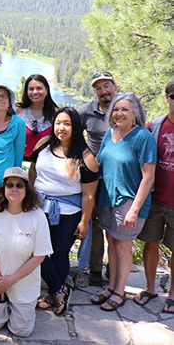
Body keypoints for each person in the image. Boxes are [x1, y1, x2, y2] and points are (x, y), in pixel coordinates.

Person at [29, 107, 99, 316]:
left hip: (68, 213)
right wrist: (30, 196)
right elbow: (33, 169)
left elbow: (88, 195)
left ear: (75, 127)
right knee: (35, 251)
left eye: (66, 123)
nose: (61, 128)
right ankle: (59, 291)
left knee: (58, 254)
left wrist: (84, 221)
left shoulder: (86, 158)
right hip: (38, 208)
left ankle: (54, 294)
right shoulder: (43, 145)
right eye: (58, 123)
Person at [90, 93, 156, 311]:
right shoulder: (111, 134)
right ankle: (111, 287)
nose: (119, 113)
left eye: (124, 109)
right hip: (107, 198)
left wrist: (134, 209)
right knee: (112, 244)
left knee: (122, 248)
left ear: (135, 112)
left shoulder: (143, 137)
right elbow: (100, 162)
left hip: (129, 201)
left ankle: (119, 292)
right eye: (116, 109)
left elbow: (148, 176)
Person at [0, 167, 53, 338]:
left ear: (27, 189)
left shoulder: (38, 216)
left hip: (23, 285)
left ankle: (15, 307)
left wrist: (11, 281)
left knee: (22, 332)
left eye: (20, 185)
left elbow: (39, 256)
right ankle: (3, 306)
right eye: (10, 185)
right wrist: (0, 283)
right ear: (3, 188)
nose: (14, 189)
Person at [134, 79, 174, 313]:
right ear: (166, 97)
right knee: (151, 244)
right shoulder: (155, 126)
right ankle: (150, 288)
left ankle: (172, 294)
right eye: (173, 95)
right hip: (156, 199)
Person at [79, 71, 118, 286]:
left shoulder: (126, 107)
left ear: (114, 86)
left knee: (115, 224)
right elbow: (72, 132)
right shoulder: (86, 111)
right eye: (98, 88)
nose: (103, 91)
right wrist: (87, 156)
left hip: (120, 178)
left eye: (106, 86)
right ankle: (95, 268)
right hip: (94, 177)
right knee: (93, 223)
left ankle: (114, 268)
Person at [15, 74, 58, 161]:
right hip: (19, 162)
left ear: (46, 90)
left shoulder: (56, 114)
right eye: (31, 89)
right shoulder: (18, 110)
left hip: (45, 164)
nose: (35, 92)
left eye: (39, 88)